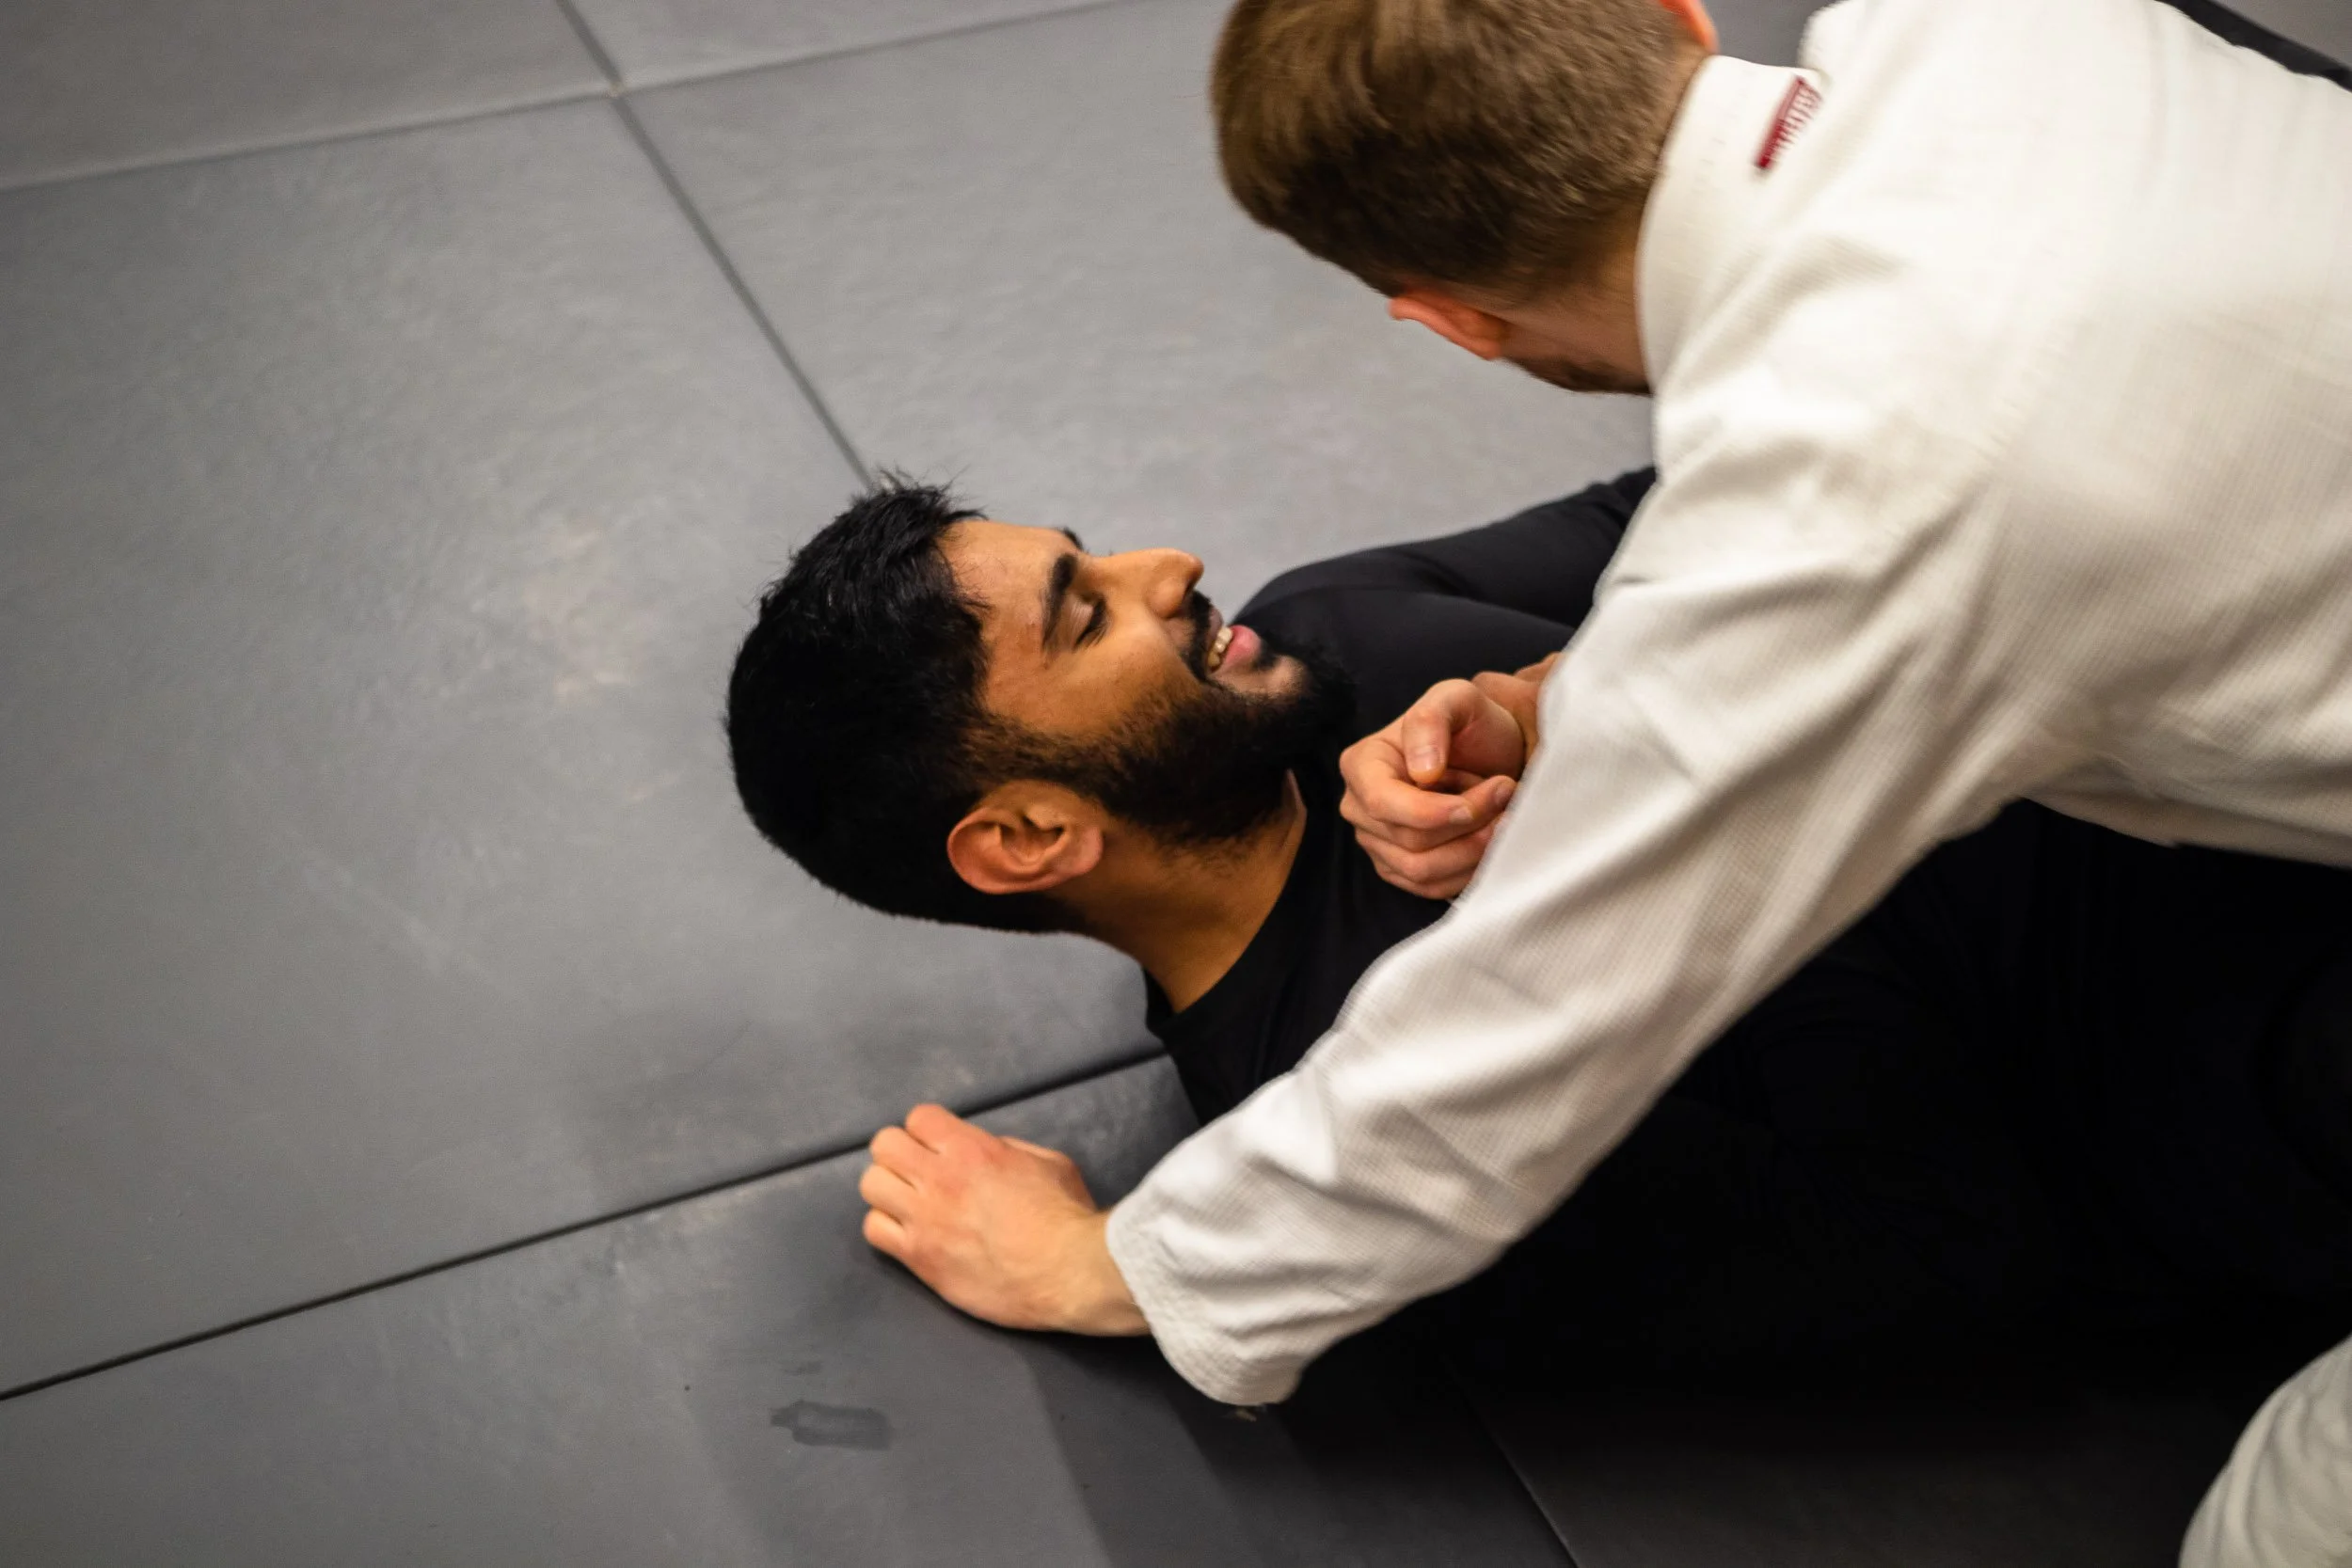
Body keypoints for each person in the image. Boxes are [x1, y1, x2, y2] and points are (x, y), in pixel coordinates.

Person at [801, 0, 2351, 1558]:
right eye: (1085, 612)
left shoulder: (1798, 526)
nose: (1173, 561)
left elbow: (1528, 1019)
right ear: (1679, 12)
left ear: (1454, 319)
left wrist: (1109, 1264)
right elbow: (1922, 1239)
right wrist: (1568, 698)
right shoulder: (1999, 31)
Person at [727, 472, 2352, 1390]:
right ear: (1030, 837)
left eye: (1090, 555)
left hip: (2213, 741)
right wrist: (1648, 805)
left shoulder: (1327, 632)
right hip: (2258, 1056)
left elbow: (1702, 497)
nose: (1174, 565)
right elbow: (1971, 1253)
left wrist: (1546, 695)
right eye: (1088, 614)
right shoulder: (1345, 1126)